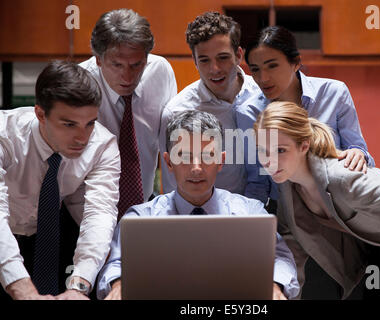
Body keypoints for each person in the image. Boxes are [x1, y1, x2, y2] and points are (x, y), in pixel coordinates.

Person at [254, 101, 380, 299]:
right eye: (262, 151)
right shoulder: (287, 186)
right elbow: (292, 242)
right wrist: (284, 291)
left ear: (304, 145)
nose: (269, 161)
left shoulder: (344, 178)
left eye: (280, 150)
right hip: (378, 258)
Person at [97, 110, 300, 300]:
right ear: (168, 162)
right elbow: (115, 263)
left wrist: (274, 286)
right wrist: (118, 285)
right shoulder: (141, 218)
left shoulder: (251, 212)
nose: (196, 168)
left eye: (207, 156)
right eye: (184, 157)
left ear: (221, 161)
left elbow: (281, 258)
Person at [0, 61, 121, 300]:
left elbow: (99, 215)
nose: (83, 137)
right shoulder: (5, 136)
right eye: (69, 124)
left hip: (51, 238)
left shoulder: (102, 145)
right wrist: (21, 287)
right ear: (40, 114)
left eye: (90, 123)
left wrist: (79, 286)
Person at [237, 25, 375, 206]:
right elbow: (257, 181)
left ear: (295, 62)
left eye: (272, 66)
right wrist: (254, 221)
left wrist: (359, 154)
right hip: (284, 209)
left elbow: (360, 151)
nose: (263, 78)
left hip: (336, 202)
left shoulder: (334, 92)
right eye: (255, 69)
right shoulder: (248, 111)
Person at [80, 9, 177, 219]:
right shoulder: (80, 83)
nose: (127, 76)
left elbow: (171, 145)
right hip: (87, 208)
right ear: (98, 59)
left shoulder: (160, 72)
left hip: (145, 205)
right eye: (117, 65)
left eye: (136, 65)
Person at [159, 11, 263, 196]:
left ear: (238, 55)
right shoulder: (177, 112)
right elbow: (173, 188)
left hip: (267, 212)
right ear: (195, 61)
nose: (214, 69)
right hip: (207, 217)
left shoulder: (265, 96)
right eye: (204, 60)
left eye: (222, 58)